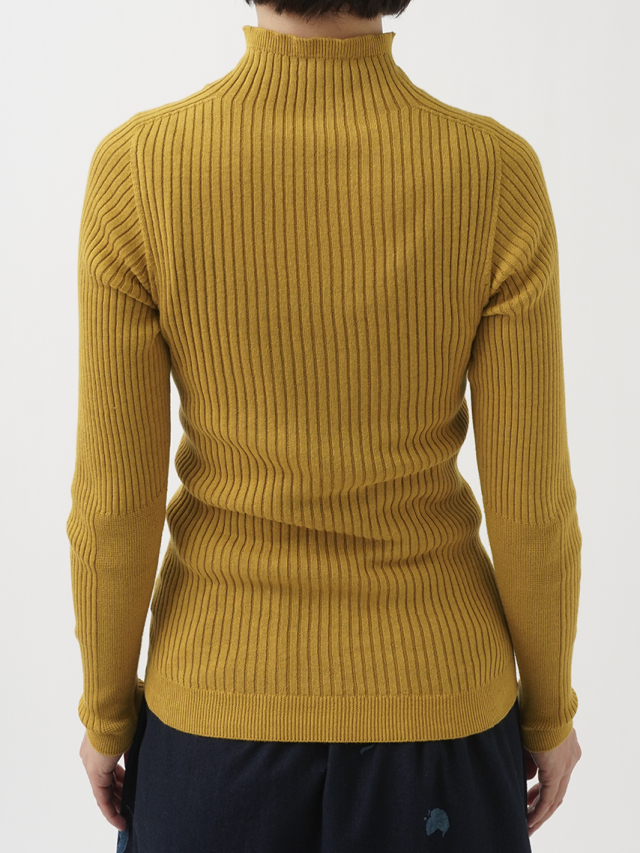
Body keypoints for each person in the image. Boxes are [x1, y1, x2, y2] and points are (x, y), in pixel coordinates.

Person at [69, 1, 583, 850]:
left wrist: (106, 715)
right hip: (440, 717)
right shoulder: (494, 174)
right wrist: (550, 712)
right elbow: (533, 504)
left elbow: (111, 504)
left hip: (213, 726)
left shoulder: (139, 170)